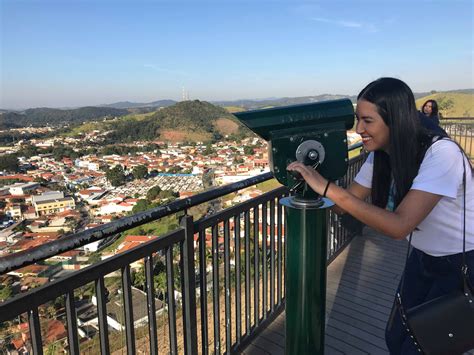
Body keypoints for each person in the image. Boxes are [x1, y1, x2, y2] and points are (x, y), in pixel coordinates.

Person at [287, 77, 473, 354]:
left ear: (394, 120)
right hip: (422, 256)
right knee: (396, 336)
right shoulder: (382, 153)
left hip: (462, 262)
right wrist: (311, 174)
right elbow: (344, 203)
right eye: (357, 120)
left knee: (426, 346)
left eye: (367, 121)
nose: (359, 129)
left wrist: (326, 187)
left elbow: (399, 225)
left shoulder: (441, 154)